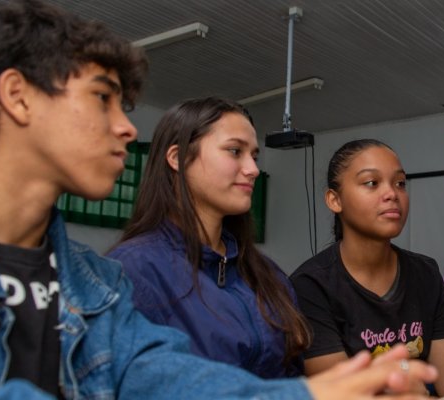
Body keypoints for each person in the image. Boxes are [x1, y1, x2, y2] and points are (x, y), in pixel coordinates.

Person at [0, 1, 439, 398]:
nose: (125, 128)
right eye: (102, 98)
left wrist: (312, 392)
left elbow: (161, 375)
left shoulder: (94, 281)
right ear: (17, 96)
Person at [107, 97, 309, 378]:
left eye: (254, 156)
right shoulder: (133, 270)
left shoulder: (269, 276)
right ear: (177, 158)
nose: (252, 170)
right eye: (235, 151)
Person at [291, 139, 444, 396]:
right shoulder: (309, 285)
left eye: (400, 183)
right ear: (334, 200)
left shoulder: (425, 274)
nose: (392, 194)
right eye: (372, 183)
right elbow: (346, 394)